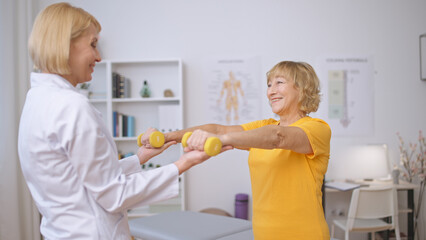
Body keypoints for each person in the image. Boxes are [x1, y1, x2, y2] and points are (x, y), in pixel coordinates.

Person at [17, 3, 223, 239]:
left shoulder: (38, 100)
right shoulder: (71, 107)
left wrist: (139, 158)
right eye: (93, 44)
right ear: (64, 44)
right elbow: (113, 195)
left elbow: (85, 178)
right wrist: (183, 163)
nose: (98, 56)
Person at [144, 61, 331, 239]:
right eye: (269, 85)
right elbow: (217, 129)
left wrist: (222, 140)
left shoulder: (317, 129)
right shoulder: (263, 126)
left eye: (279, 83)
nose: (271, 91)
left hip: (304, 234)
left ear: (302, 87)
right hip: (264, 234)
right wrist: (168, 137)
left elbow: (278, 137)